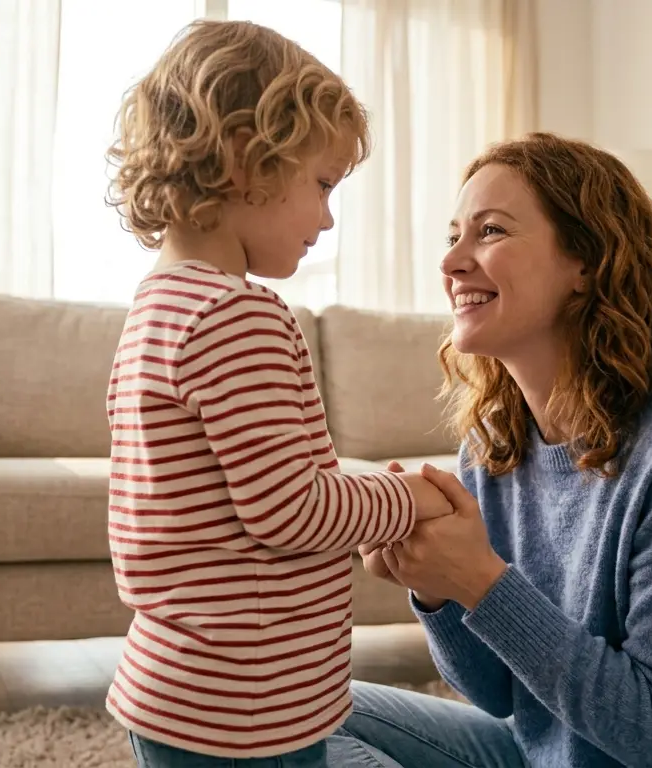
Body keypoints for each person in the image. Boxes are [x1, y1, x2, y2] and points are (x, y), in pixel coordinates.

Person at [338, 133, 652, 768]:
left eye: (491, 231)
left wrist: (480, 578)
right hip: (561, 756)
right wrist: (440, 592)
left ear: (585, 262)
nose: (452, 264)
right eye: (453, 238)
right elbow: (499, 694)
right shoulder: (495, 443)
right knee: (311, 713)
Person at [102, 19, 453, 767]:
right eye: (321, 184)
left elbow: (262, 489)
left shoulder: (158, 304)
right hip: (244, 708)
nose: (327, 218)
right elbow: (291, 510)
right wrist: (418, 496)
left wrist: (365, 488)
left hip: (182, 692)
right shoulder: (238, 314)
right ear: (241, 158)